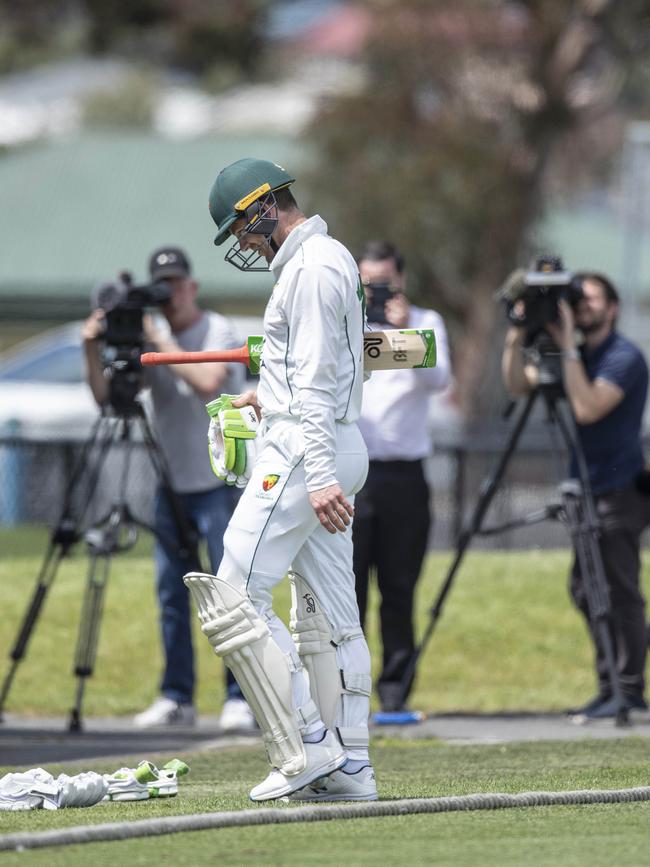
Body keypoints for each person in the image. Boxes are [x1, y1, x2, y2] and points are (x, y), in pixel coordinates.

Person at [183, 157, 376, 802]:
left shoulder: (314, 265)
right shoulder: (317, 262)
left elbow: (319, 385)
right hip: (322, 442)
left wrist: (317, 474)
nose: (240, 243)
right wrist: (264, 400)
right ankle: (352, 769)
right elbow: (323, 371)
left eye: (240, 227)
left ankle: (307, 746)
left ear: (266, 207)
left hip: (306, 451)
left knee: (233, 595)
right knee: (328, 616)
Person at [82, 245, 255, 732]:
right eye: (163, 287)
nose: (170, 294)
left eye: (177, 284)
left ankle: (240, 695)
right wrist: (90, 347)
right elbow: (107, 400)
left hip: (220, 485)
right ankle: (176, 694)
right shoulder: (149, 337)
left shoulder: (216, 329)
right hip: (171, 485)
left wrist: (160, 340)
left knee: (229, 593)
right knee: (170, 596)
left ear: (192, 287)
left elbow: (209, 382)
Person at [501, 271, 650, 721]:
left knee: (619, 591)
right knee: (586, 588)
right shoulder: (578, 355)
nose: (581, 308)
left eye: (590, 301)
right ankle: (612, 687)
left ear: (613, 307)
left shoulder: (623, 357)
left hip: (619, 489)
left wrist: (565, 347)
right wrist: (515, 335)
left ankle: (627, 690)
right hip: (586, 488)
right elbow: (518, 385)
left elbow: (586, 409)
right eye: (575, 301)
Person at [353, 240, 452, 712]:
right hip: (352, 475)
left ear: (402, 280)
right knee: (345, 590)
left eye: (384, 283)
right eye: (368, 283)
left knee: (398, 588)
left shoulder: (425, 323)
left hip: (404, 477)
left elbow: (438, 381)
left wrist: (404, 327)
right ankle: (345, 693)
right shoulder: (344, 322)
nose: (375, 293)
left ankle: (394, 694)